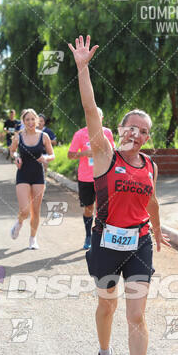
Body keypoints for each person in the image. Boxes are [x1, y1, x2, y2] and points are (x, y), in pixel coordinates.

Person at [68, 35, 170, 355]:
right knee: (106, 305)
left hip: (138, 243)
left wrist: (157, 235)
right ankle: (104, 353)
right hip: (106, 243)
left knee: (137, 315)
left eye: (144, 130)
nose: (138, 134)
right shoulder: (105, 155)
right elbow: (90, 108)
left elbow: (153, 202)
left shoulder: (150, 166)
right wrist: (83, 69)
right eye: (132, 127)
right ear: (121, 129)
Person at [68, 107, 114, 250]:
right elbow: (70, 155)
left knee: (104, 208)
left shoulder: (107, 133)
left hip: (103, 175)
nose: (95, 119)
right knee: (89, 208)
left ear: (101, 118)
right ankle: (88, 235)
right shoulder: (80, 134)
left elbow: (112, 153)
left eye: (98, 116)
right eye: (92, 117)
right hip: (86, 177)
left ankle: (101, 236)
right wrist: (85, 153)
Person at [9, 108, 54, 249]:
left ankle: (33, 239)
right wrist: (16, 157)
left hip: (38, 175)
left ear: (37, 121)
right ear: (23, 121)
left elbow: (52, 155)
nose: (30, 122)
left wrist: (45, 157)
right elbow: (12, 150)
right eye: (27, 119)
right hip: (23, 174)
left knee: (35, 210)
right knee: (25, 210)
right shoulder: (18, 137)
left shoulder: (44, 136)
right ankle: (19, 222)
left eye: (32, 119)